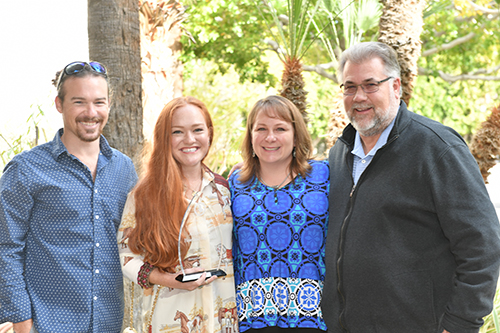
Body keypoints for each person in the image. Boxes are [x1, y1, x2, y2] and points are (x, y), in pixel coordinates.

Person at [323, 41, 500, 333]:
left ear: (396, 86)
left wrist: (459, 325)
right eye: (350, 86)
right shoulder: (339, 154)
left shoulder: (437, 149)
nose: (359, 97)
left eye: (370, 85)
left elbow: (482, 246)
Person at [0, 61, 138, 333]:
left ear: (109, 104)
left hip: (109, 323)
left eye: (99, 102)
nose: (91, 112)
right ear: (59, 104)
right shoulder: (26, 170)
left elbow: (133, 241)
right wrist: (22, 323)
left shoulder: (124, 169)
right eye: (79, 102)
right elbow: (6, 248)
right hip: (47, 325)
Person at [117, 96, 237, 333]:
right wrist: (168, 280)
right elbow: (126, 255)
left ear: (209, 134)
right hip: (168, 320)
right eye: (177, 132)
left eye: (197, 130)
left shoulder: (224, 189)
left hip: (222, 321)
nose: (189, 139)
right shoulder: (145, 195)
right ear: (165, 138)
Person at [229, 95, 329, 333]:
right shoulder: (234, 184)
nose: (270, 137)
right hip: (253, 318)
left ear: (296, 136)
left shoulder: (325, 176)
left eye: (280, 128)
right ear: (251, 136)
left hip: (314, 316)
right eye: (261, 129)